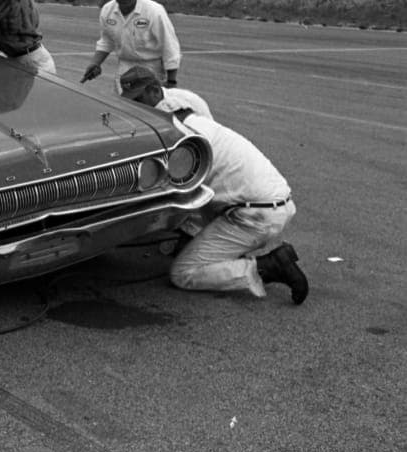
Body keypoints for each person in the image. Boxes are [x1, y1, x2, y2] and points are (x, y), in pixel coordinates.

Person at [122, 76, 308, 304]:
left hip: (253, 216)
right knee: (202, 206)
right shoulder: (195, 119)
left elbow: (177, 195)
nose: (135, 108)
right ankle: (239, 251)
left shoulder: (180, 137)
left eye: (138, 100)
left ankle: (266, 267)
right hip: (273, 202)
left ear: (153, 92)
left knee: (182, 273)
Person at [82, 0, 181, 87]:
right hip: (124, 70)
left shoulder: (154, 11)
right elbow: (107, 41)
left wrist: (171, 82)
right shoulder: (107, 11)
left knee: (145, 104)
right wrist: (95, 63)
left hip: (150, 71)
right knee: (120, 104)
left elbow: (169, 46)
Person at [119, 65, 213, 120]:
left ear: (155, 90)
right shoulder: (154, 103)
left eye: (138, 99)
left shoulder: (184, 104)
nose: (135, 104)